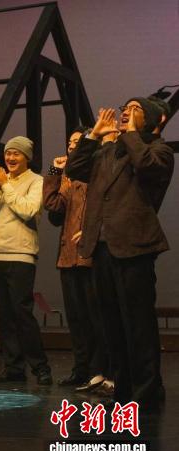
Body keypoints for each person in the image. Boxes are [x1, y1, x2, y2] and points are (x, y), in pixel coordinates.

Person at [66, 98, 173, 407]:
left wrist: (131, 133)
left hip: (134, 247)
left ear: (154, 119)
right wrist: (93, 136)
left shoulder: (158, 150)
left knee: (138, 325)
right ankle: (123, 390)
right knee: (111, 325)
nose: (126, 112)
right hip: (102, 248)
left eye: (135, 109)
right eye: (125, 108)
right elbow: (74, 169)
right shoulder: (108, 151)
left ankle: (147, 392)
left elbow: (146, 166)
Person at [0, 136, 52, 385]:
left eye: (16, 154)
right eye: (8, 153)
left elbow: (28, 210)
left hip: (21, 254)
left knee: (22, 312)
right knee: (4, 314)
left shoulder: (36, 181)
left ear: (27, 157)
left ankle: (41, 367)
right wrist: (0, 186)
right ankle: (14, 368)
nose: (10, 158)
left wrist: (6, 186)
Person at [43, 128, 110, 391]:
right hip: (68, 257)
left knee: (96, 318)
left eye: (77, 142)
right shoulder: (68, 177)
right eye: (69, 143)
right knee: (76, 319)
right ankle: (81, 369)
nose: (71, 147)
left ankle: (99, 370)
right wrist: (54, 172)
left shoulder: (97, 172)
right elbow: (53, 206)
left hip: (91, 256)